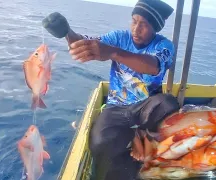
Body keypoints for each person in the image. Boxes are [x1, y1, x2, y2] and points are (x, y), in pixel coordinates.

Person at [67, 0, 180, 179]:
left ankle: (142, 134)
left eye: (143, 24)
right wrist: (66, 31)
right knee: (99, 143)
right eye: (134, 21)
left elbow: (152, 66)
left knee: (168, 103)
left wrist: (113, 53)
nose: (136, 29)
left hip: (146, 106)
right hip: (116, 107)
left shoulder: (164, 46)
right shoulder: (119, 37)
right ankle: (136, 136)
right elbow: (86, 44)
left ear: (155, 28)